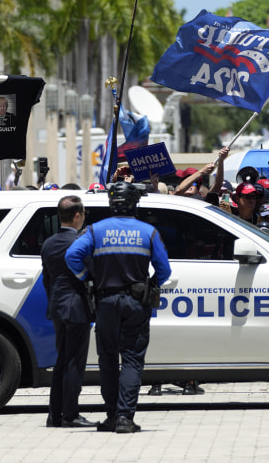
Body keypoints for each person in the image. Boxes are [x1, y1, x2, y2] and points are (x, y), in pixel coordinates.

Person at [65, 182, 171, 434]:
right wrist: (152, 283)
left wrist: (86, 278)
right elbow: (164, 269)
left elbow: (71, 256)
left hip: (105, 302)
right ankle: (125, 418)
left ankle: (112, 415)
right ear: (134, 203)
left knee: (108, 359)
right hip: (136, 303)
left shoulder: (94, 230)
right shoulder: (149, 231)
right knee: (133, 360)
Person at [41, 195, 97, 428]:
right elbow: (92, 273)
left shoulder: (48, 243)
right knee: (74, 362)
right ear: (77, 215)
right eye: (83, 214)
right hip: (76, 307)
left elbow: (47, 280)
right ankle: (70, 414)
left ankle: (55, 414)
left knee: (62, 361)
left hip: (57, 306)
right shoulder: (81, 243)